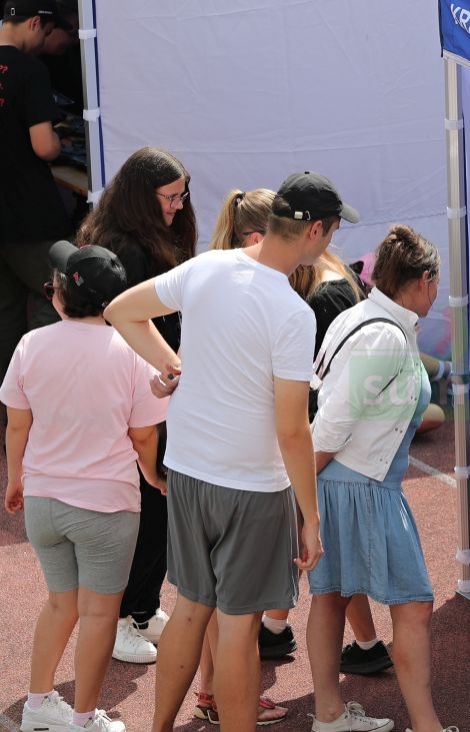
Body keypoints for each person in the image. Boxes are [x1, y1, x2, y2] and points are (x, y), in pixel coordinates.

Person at [103, 170, 355, 732]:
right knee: (239, 627)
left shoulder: (207, 267)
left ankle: (159, 727)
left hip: (189, 470)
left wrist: (172, 365)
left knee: (191, 609)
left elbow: (120, 310)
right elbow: (293, 430)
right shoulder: (291, 312)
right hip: (252, 486)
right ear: (315, 230)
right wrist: (311, 517)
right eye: (334, 229)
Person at [209, 187, 395, 677]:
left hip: (316, 440)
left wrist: (307, 466)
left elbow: (312, 396)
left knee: (306, 552)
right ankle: (333, 638)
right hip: (322, 436)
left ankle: (269, 648)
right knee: (318, 550)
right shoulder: (317, 279)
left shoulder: (313, 292)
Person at [3, 241, 167, 732]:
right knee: (98, 615)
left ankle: (37, 705)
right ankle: (82, 719)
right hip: (106, 505)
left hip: (43, 501)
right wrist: (152, 475)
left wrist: (16, 478)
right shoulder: (131, 352)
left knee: (60, 603)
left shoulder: (31, 344)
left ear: (60, 295)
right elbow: (144, 435)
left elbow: (17, 424)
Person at [307, 224, 453, 732]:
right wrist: (298, 496)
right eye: (437, 282)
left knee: (330, 598)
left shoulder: (362, 317)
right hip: (361, 485)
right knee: (414, 605)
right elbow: (331, 424)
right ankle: (425, 725)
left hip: (350, 482)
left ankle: (329, 715)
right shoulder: (385, 334)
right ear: (425, 280)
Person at [74, 145, 197, 665]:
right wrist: (172, 365)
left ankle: (142, 608)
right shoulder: (128, 249)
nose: (179, 206)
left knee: (156, 508)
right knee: (148, 508)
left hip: (150, 391)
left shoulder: (133, 236)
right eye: (171, 197)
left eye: (182, 196)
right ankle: (125, 615)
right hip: (138, 395)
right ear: (142, 197)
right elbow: (129, 325)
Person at [0, 0, 69, 386]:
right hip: (28, 212)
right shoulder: (30, 70)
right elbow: (43, 146)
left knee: (6, 311)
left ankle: (8, 402)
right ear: (33, 23)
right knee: (62, 292)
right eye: (45, 32)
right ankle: (38, 384)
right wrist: (58, 142)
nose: (45, 41)